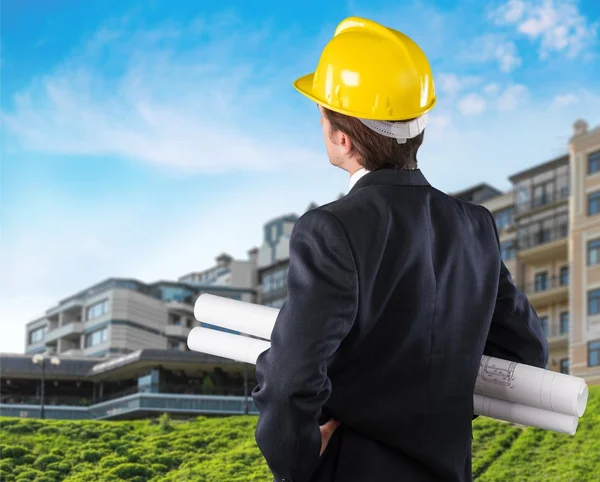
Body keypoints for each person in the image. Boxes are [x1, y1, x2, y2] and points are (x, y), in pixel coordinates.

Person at [251, 16, 548, 482]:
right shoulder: (476, 226)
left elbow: (289, 382)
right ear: (419, 127)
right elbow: (526, 352)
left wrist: (303, 463)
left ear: (341, 135)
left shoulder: (329, 229)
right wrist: (433, 410)